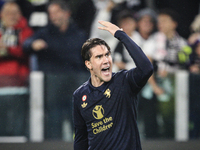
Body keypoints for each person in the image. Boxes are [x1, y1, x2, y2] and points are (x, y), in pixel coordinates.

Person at [73, 21, 153, 149]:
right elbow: (81, 138)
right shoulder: (79, 95)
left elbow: (146, 68)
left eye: (107, 55)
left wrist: (120, 34)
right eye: (99, 57)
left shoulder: (124, 81)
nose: (106, 60)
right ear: (88, 64)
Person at [23, 0, 88, 140]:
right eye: (51, 13)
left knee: (77, 119)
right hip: (52, 86)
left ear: (67, 13)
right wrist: (33, 44)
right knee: (54, 118)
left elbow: (84, 59)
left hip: (74, 85)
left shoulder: (79, 34)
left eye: (56, 12)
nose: (53, 16)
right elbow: (26, 44)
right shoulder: (44, 33)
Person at [0, 1, 33, 136]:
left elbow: (25, 49)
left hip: (20, 85)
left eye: (14, 13)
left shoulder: (25, 31)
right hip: (1, 86)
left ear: (20, 15)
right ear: (1, 14)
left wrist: (7, 49)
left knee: (18, 122)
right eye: (8, 13)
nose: (11, 16)